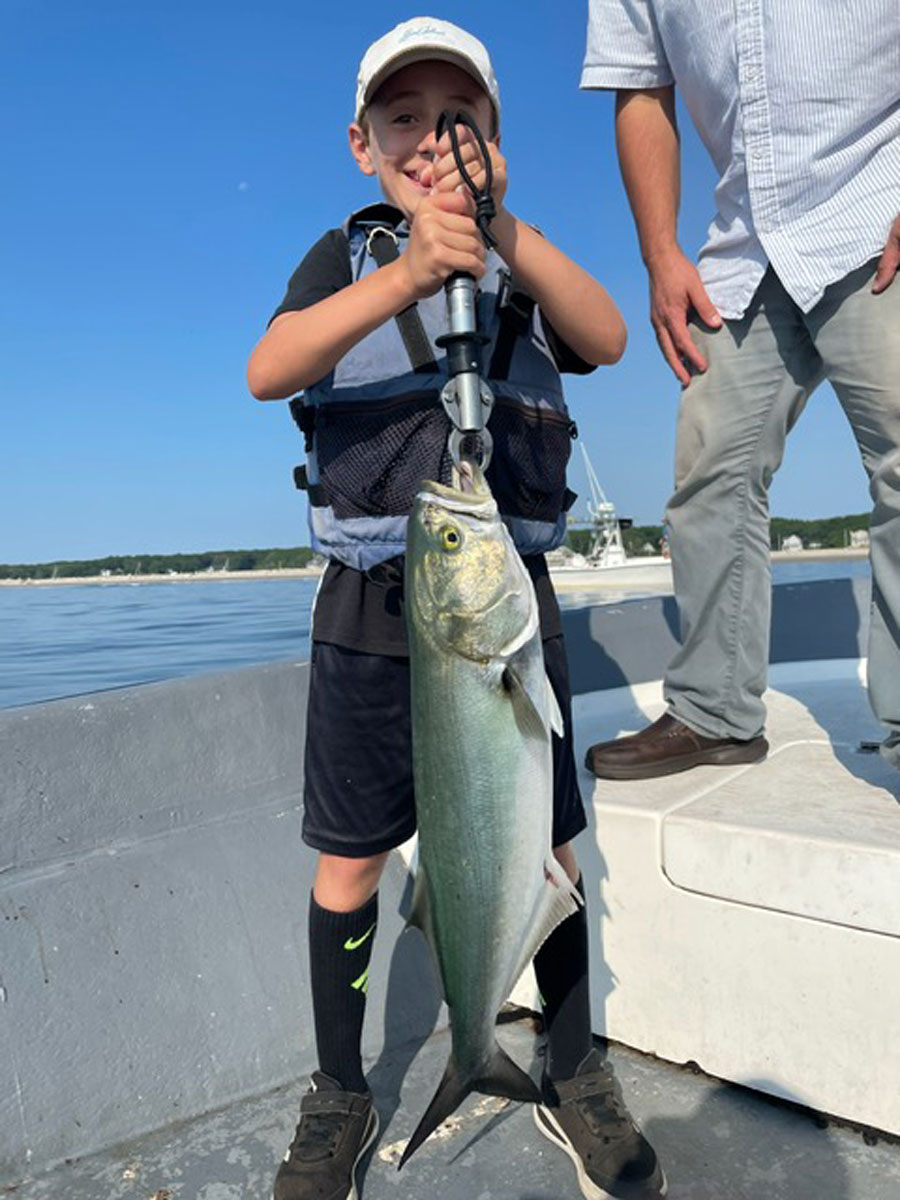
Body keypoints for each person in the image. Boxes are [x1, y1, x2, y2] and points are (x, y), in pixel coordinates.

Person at [247, 16, 665, 1200]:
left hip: (501, 616)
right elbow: (269, 367)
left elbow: (609, 334)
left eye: (459, 121)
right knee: (349, 862)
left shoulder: (516, 259)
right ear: (361, 144)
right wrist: (407, 274)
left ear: (496, 141)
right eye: (403, 123)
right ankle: (341, 1090)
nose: (431, 143)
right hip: (372, 615)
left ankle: (570, 1065)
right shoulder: (344, 257)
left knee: (554, 846)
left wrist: (503, 237)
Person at [580, 0, 900, 780]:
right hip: (744, 249)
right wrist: (660, 253)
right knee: (710, 471)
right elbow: (643, 87)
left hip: (878, 212)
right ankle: (714, 712)